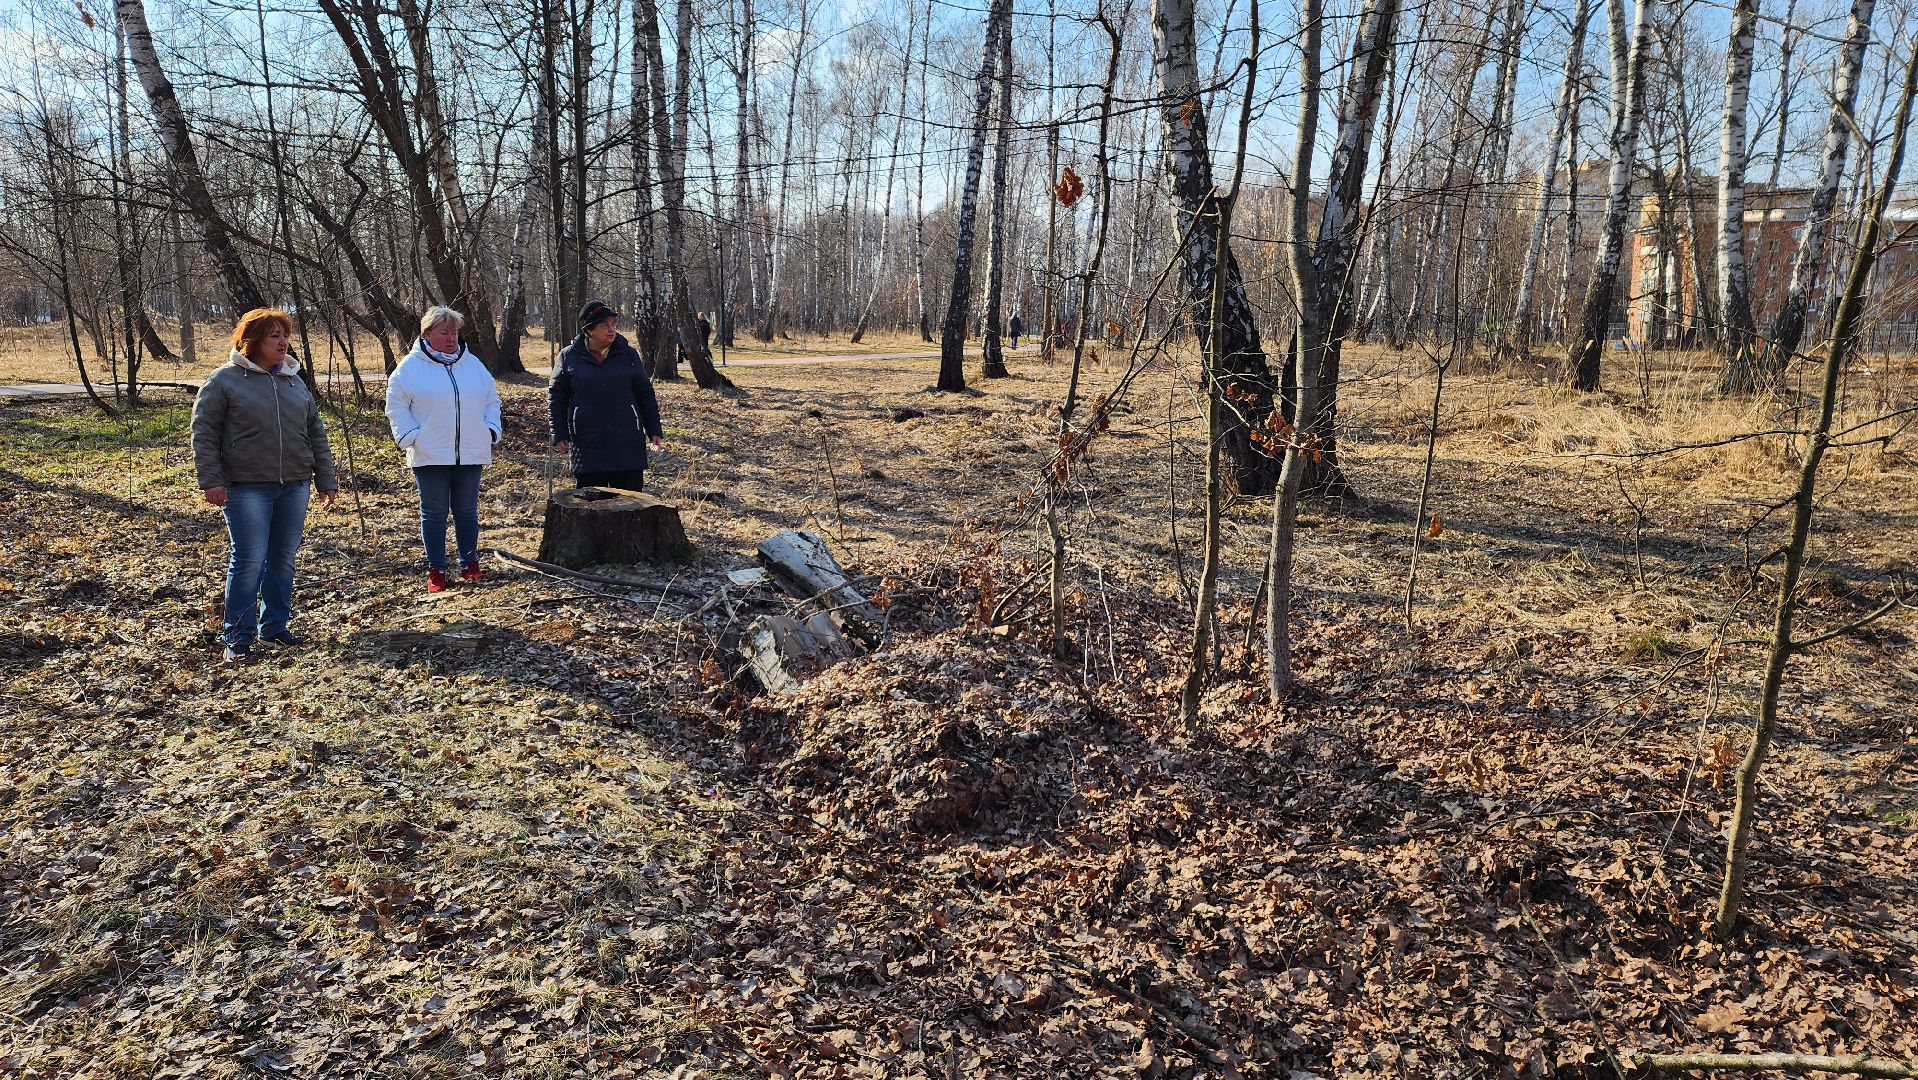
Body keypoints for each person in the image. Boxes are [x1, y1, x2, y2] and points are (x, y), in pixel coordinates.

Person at [191, 308, 339, 663]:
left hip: (295, 484)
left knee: (282, 560)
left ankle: (273, 628)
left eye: (285, 335)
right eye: (274, 336)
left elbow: (315, 433)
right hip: (246, 487)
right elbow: (204, 433)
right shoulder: (224, 380)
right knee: (249, 561)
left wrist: (326, 479)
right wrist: (211, 481)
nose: (283, 342)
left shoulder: (293, 380)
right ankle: (237, 638)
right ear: (253, 340)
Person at [386, 306, 503, 593]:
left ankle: (470, 563)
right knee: (434, 513)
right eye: (444, 333)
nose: (451, 338)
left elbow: (491, 400)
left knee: (467, 511)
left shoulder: (472, 365)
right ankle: (436, 570)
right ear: (427, 334)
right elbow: (396, 406)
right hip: (430, 453)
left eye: (454, 332)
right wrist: (411, 436)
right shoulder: (409, 368)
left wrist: (490, 429)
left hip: (471, 451)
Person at [549, 300, 664, 491]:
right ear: (589, 329)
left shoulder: (628, 354)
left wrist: (654, 430)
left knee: (630, 503)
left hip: (627, 444)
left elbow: (645, 394)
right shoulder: (568, 357)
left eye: (613, 324)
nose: (612, 329)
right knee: (591, 503)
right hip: (587, 445)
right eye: (605, 325)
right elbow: (556, 399)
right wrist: (559, 433)